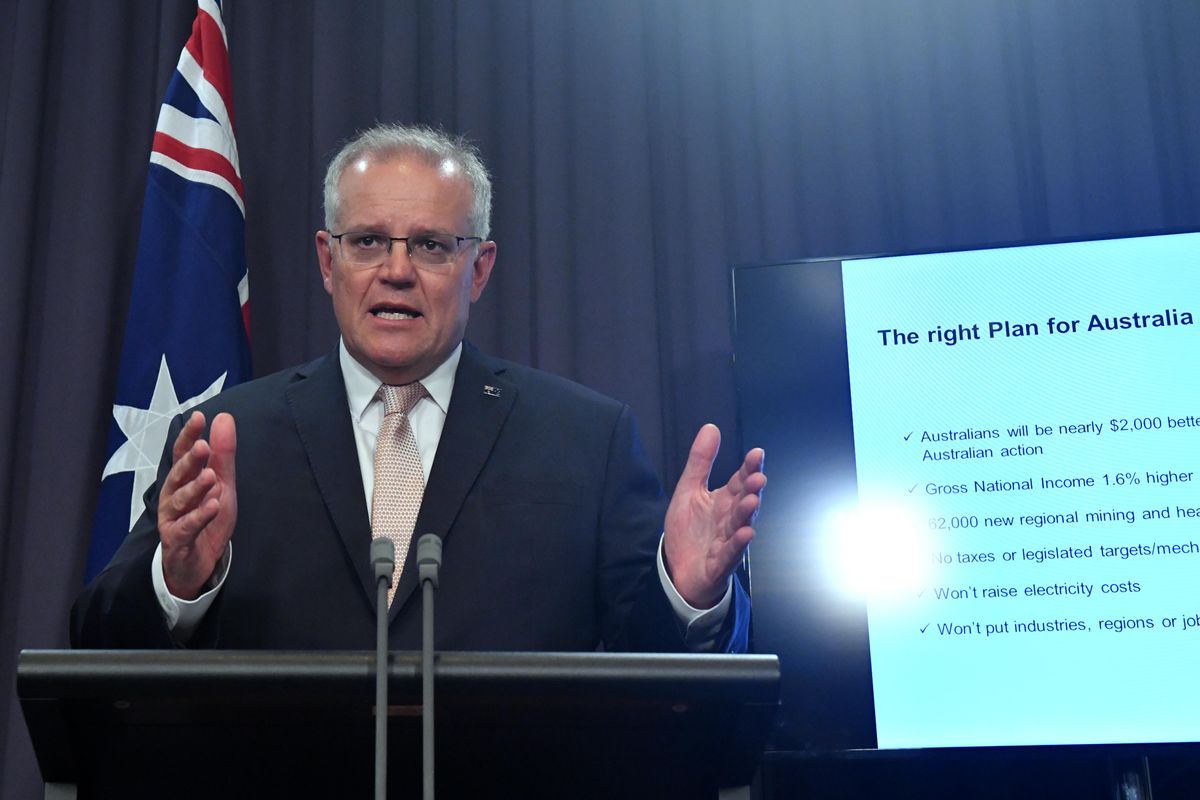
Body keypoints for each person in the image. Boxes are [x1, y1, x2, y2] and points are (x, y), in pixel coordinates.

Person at [71, 124, 765, 653]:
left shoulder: (585, 439)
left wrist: (687, 591)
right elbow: (99, 642)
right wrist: (178, 581)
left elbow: (652, 665)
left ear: (480, 268)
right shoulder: (228, 436)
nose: (396, 270)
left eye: (431, 245)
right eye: (368, 241)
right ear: (327, 260)